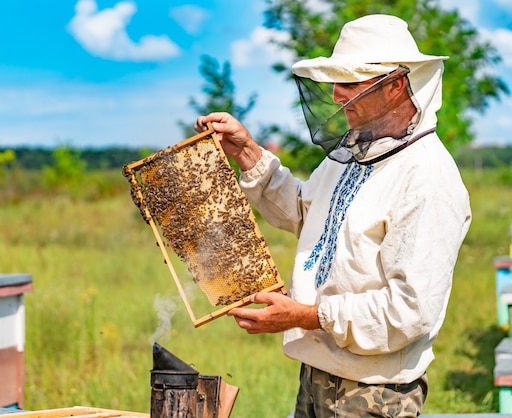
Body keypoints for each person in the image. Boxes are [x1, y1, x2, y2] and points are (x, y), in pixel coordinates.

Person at [194, 14, 471, 418]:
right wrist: (247, 151)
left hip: (376, 391)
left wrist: (306, 316)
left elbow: (409, 312)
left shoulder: (427, 179)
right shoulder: (355, 154)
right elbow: (306, 213)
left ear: (396, 85)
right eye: (335, 82)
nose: (338, 95)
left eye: (351, 82)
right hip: (319, 372)